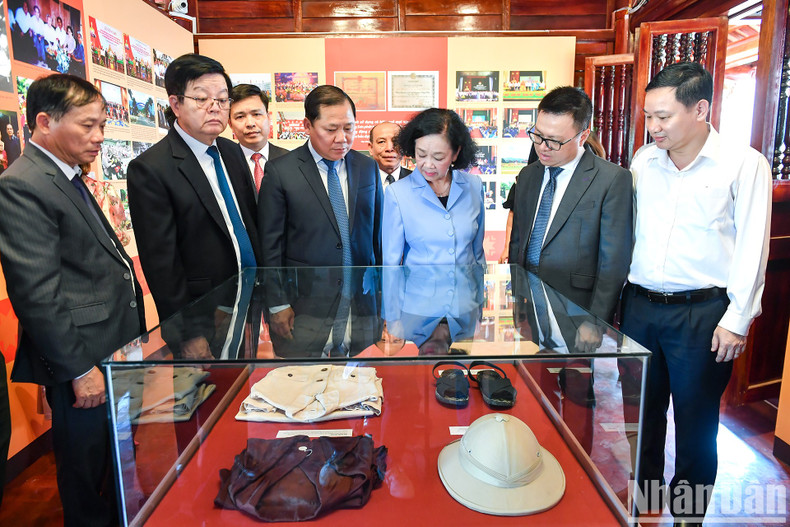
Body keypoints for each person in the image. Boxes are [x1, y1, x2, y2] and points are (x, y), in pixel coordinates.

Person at [622, 62, 772, 522]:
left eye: (663, 116)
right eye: (648, 116)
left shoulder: (744, 165)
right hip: (642, 307)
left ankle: (687, 516)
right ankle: (645, 505)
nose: (653, 127)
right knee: (641, 418)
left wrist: (737, 319)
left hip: (703, 315)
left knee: (695, 427)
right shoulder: (645, 161)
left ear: (701, 109)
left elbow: (753, 246)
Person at [0, 73, 145, 527]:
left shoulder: (66, 175)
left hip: (109, 347)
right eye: (88, 126)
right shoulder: (24, 184)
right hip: (84, 359)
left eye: (102, 125)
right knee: (86, 472)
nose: (99, 137)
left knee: (112, 462)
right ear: (44, 121)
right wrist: (80, 371)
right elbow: (37, 292)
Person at [128, 54, 262, 323]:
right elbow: (161, 264)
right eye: (202, 99)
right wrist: (187, 331)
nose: (215, 108)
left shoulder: (232, 152)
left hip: (250, 301)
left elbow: (248, 224)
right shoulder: (151, 168)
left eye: (223, 99)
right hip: (203, 313)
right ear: (176, 104)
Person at [508, 86, 632, 326]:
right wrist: (516, 299)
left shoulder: (611, 179)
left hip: (577, 309)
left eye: (554, 141)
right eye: (538, 135)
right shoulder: (528, 176)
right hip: (529, 305)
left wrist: (595, 322)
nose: (543, 147)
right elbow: (518, 241)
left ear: (583, 137)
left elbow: (613, 263)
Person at [259, 84, 382, 268]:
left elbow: (376, 233)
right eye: (331, 130)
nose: (342, 138)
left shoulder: (367, 167)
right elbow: (272, 248)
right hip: (308, 291)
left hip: (362, 288)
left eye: (348, 128)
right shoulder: (281, 172)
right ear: (308, 126)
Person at [382, 108, 484, 267]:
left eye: (438, 157)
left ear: (456, 153)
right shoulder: (397, 194)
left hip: (467, 290)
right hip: (419, 291)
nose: (428, 165)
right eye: (421, 155)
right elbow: (391, 263)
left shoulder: (474, 186)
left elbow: (478, 254)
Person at [228, 83, 288, 198]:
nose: (250, 124)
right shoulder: (225, 164)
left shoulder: (290, 161)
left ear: (268, 117)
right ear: (230, 124)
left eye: (256, 114)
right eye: (240, 117)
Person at [368, 121, 411, 191]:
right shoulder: (359, 182)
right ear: (371, 148)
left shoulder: (418, 181)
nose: (389, 148)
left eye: (396, 142)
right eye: (382, 142)